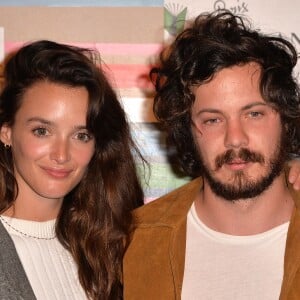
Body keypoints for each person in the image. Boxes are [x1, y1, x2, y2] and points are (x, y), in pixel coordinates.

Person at [123, 10, 300, 299]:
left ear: (284, 119)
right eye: (212, 120)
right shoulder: (138, 240)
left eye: (254, 114)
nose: (235, 138)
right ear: (188, 131)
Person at [0, 40, 144, 299]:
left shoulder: (110, 249)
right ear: (7, 132)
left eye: (81, 135)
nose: (61, 155)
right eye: (42, 131)